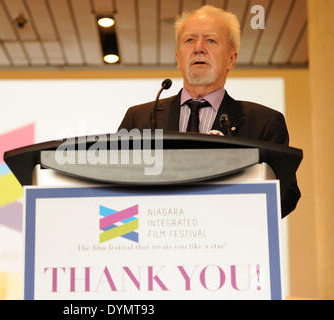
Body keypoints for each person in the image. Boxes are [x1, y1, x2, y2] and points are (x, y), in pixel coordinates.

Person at [118, 5, 300, 217]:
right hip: (158, 238)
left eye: (211, 40)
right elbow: (115, 185)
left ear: (231, 59)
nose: (198, 48)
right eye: (189, 40)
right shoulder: (138, 119)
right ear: (178, 58)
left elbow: (286, 196)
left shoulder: (264, 123)